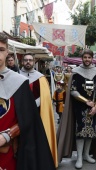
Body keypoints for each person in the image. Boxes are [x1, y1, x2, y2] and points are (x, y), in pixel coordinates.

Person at [0, 32, 56, 169]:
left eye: (1, 50)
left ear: (7, 52)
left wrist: (7, 135)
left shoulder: (18, 82)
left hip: (8, 153)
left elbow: (29, 120)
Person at [57, 49, 96, 169]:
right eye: (85, 57)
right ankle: (78, 157)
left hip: (93, 108)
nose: (87, 59)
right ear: (82, 58)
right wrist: (86, 101)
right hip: (80, 107)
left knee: (91, 132)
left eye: (89, 57)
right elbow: (72, 90)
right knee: (81, 132)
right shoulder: (76, 72)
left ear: (92, 58)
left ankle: (86, 155)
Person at [20, 53, 58, 168]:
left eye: (30, 60)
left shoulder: (40, 78)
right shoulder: (16, 76)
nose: (28, 62)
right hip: (19, 114)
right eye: (25, 60)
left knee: (37, 139)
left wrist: (31, 106)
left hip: (37, 114)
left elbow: (45, 97)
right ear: (22, 62)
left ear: (34, 61)